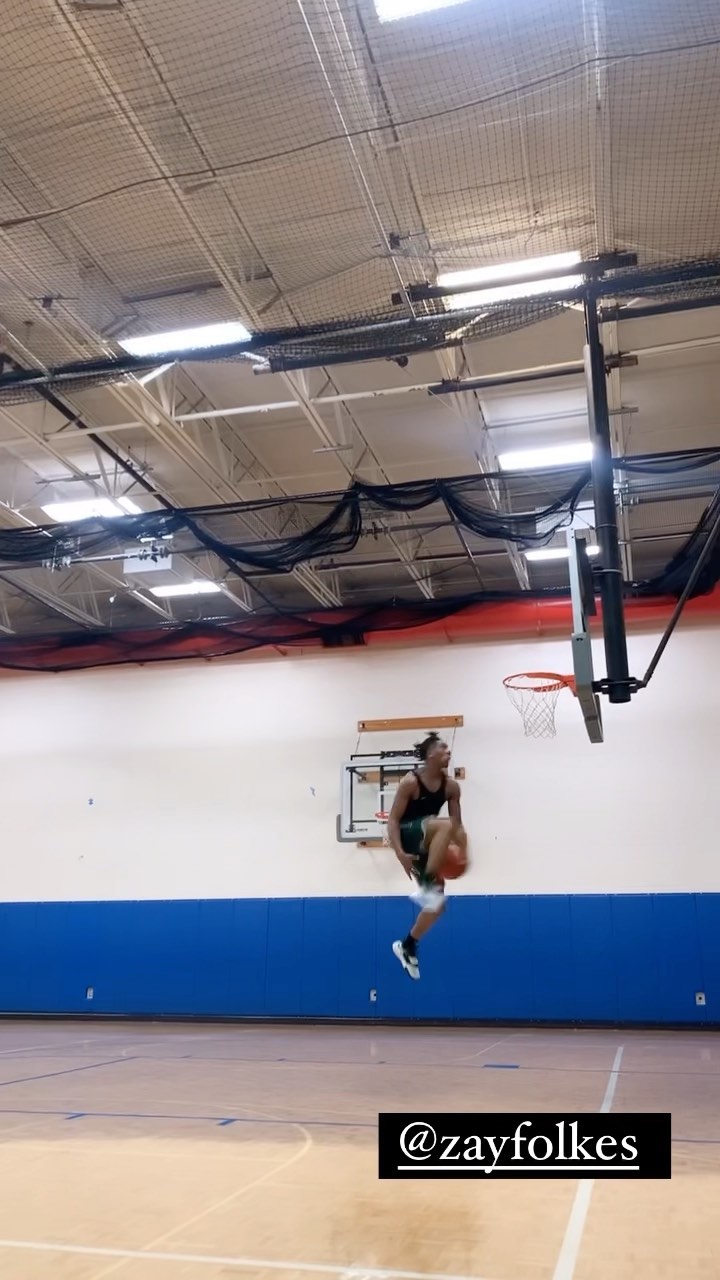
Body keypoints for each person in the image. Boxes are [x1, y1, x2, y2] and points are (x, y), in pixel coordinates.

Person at [386, 731, 467, 980]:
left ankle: (408, 945)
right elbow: (392, 820)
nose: (448, 751)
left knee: (436, 906)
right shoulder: (411, 782)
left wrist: (464, 853)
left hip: (428, 839)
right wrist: (400, 853)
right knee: (442, 825)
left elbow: (458, 826)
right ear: (431, 754)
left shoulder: (451, 787)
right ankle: (427, 882)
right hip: (407, 834)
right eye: (443, 748)